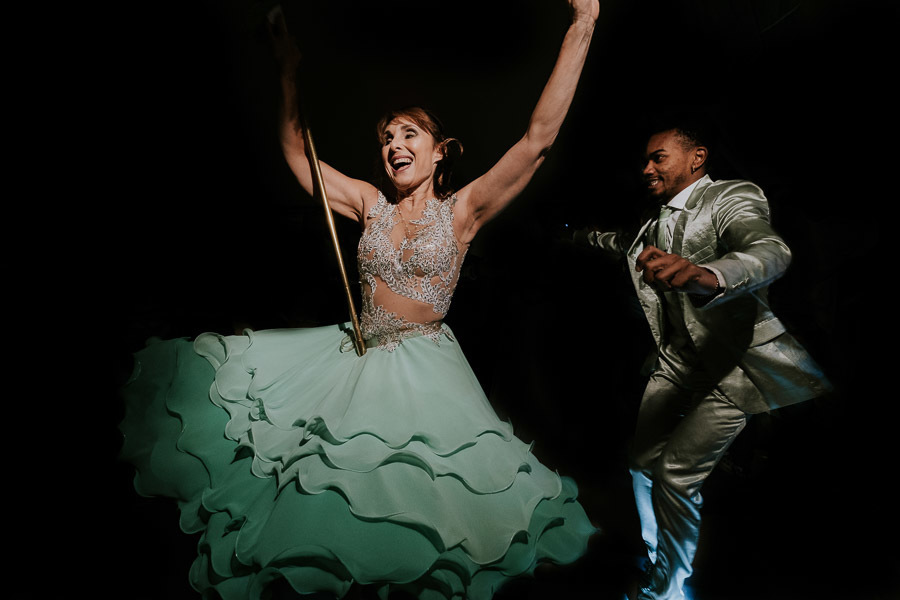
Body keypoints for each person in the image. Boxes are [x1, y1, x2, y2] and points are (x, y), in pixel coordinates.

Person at [119, 2, 600, 599]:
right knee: (324, 492)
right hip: (352, 358)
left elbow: (537, 140)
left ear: (440, 150)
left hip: (425, 371)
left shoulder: (463, 211)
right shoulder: (370, 203)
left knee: (416, 502)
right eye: (387, 138)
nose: (394, 145)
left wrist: (582, 24)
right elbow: (297, 156)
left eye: (409, 134)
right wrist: (288, 71)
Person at [575, 121, 831, 600]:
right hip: (676, 363)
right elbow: (620, 243)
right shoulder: (653, 222)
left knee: (675, 475)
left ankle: (668, 590)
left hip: (733, 366)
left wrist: (707, 274)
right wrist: (579, 237)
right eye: (645, 159)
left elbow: (769, 250)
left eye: (658, 157)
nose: (646, 168)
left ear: (697, 157)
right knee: (641, 465)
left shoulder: (730, 196)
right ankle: (659, 558)